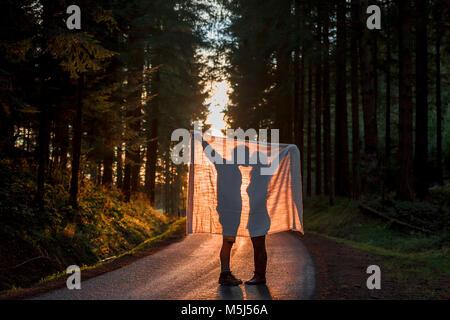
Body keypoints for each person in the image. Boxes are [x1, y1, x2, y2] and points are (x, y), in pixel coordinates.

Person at [200, 135, 271, 286]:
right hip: (228, 211)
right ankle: (224, 274)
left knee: (229, 242)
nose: (247, 161)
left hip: (232, 211)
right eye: (246, 157)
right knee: (228, 241)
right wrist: (201, 139)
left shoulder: (232, 166)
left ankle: (226, 273)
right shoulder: (224, 164)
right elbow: (209, 152)